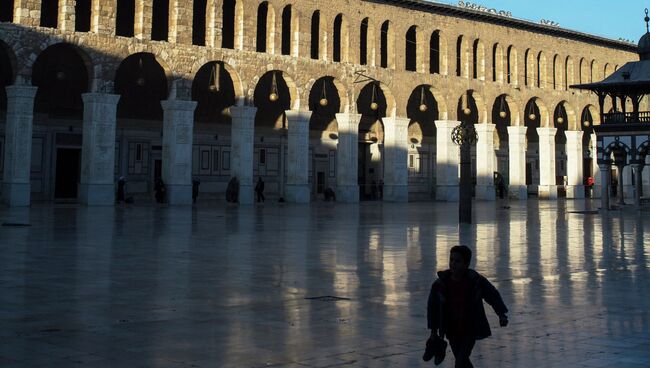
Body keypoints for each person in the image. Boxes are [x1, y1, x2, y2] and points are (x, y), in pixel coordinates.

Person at [425, 245, 508, 367]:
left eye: (457, 261)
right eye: (451, 260)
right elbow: (432, 308)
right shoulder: (440, 284)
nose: (453, 264)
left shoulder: (476, 281)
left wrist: (501, 314)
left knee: (460, 361)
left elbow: (492, 295)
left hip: (470, 329)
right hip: (451, 329)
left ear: (466, 264)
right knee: (462, 361)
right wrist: (433, 331)